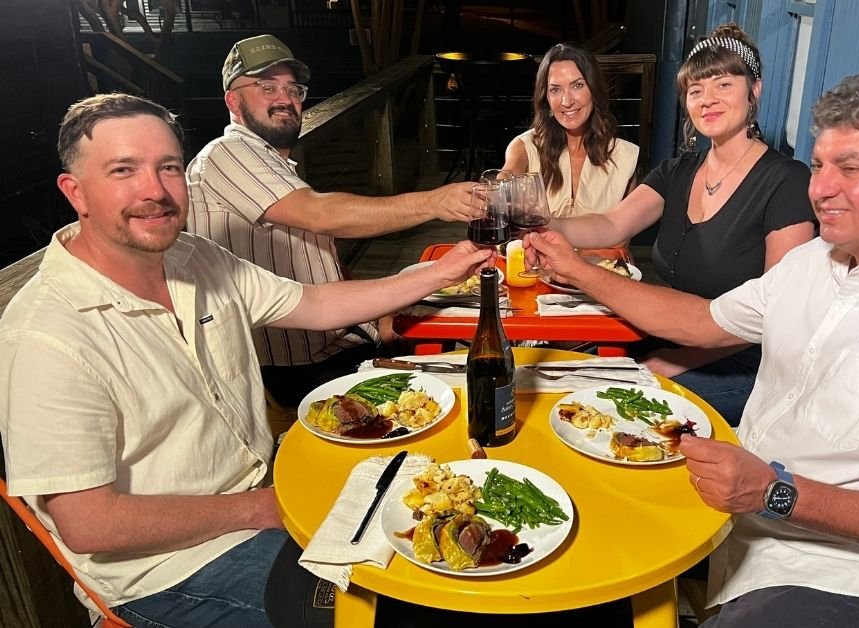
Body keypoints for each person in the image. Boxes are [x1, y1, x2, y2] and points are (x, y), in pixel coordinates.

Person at [525, 69, 859, 625]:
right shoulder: (816, 260)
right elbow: (702, 322)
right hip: (730, 515)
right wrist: (576, 269)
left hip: (835, 572)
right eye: (817, 166)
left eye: (850, 168)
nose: (819, 188)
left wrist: (776, 493)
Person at [0, 93, 492, 627]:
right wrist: (260, 508)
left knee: (448, 521)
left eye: (168, 167)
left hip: (266, 499)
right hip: (170, 573)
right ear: (77, 193)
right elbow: (88, 524)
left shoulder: (196, 257)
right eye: (124, 170)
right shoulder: (45, 334)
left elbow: (318, 303)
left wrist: (442, 273)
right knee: (396, 609)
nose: (154, 191)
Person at [187, 34, 480, 406]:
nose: (285, 99)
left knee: (462, 334)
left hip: (340, 342)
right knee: (467, 386)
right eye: (267, 87)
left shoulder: (271, 163)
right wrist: (436, 201)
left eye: (294, 89)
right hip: (296, 370)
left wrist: (379, 319)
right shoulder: (227, 153)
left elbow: (319, 265)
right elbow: (322, 213)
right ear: (233, 99)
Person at [545, 24, 816, 425]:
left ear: (754, 90)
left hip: (746, 362)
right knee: (561, 375)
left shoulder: (787, 181)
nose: (708, 99)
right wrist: (539, 222)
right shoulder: (678, 171)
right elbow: (610, 225)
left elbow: (772, 318)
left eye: (723, 84)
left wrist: (671, 362)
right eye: (696, 90)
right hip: (675, 334)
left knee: (605, 407)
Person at [501, 42, 639, 218]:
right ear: (546, 99)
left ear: (594, 90)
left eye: (577, 86)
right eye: (555, 89)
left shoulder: (625, 157)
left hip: (604, 247)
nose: (566, 101)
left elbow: (622, 237)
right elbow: (508, 175)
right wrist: (499, 185)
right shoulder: (525, 147)